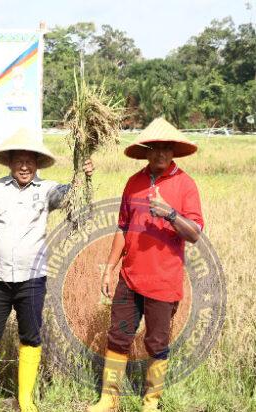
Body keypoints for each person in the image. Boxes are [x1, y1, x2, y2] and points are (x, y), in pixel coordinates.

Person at [0, 128, 93, 412]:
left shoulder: (48, 191)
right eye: (19, 160)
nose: (24, 166)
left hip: (32, 280)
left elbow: (76, 200)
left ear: (37, 163)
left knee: (30, 336)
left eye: (29, 160)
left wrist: (84, 175)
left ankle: (25, 398)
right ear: (9, 163)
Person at [88, 117, 203, 412]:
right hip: (130, 278)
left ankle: (151, 402)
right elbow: (123, 228)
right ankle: (109, 398)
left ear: (174, 151)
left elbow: (195, 234)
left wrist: (171, 214)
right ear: (146, 150)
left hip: (164, 281)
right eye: (155, 148)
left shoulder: (185, 184)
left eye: (166, 148)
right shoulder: (134, 182)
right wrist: (111, 266)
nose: (161, 154)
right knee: (118, 336)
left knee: (157, 341)